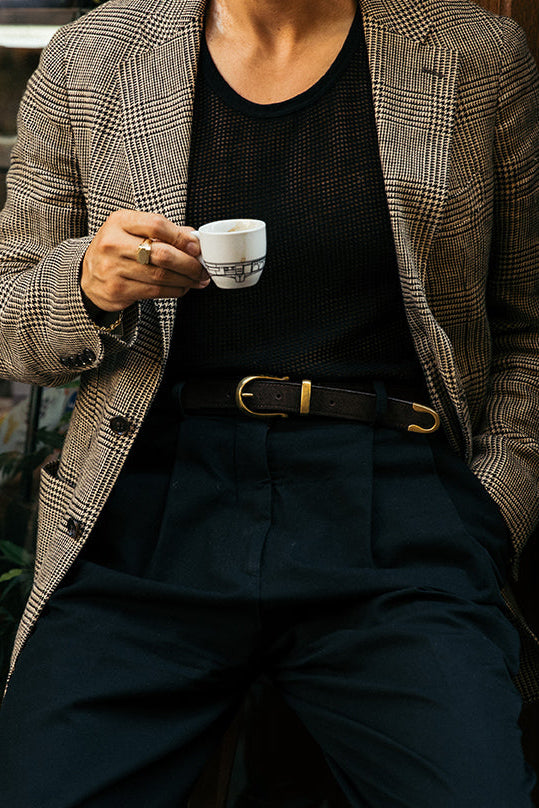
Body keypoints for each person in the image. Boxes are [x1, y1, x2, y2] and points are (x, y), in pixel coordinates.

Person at [0, 0, 538, 805]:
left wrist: (487, 512)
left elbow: (527, 326)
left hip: (395, 505)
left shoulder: (473, 53)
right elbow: (10, 319)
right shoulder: (92, 56)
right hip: (152, 501)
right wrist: (87, 284)